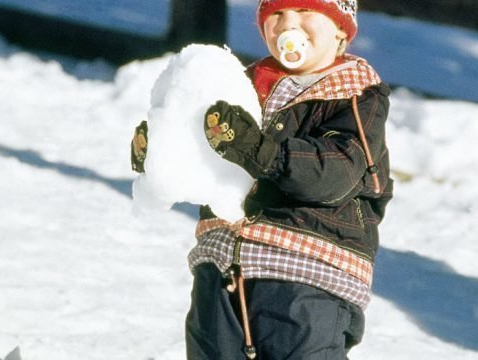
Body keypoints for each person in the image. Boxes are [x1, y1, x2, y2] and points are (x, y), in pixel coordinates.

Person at [131, 0, 393, 358]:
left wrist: (260, 149)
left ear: (339, 28)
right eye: (277, 14)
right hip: (223, 265)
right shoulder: (238, 86)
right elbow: (204, 164)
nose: (289, 26)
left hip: (307, 274)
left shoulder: (354, 96)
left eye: (305, 12)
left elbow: (335, 173)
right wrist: (162, 154)